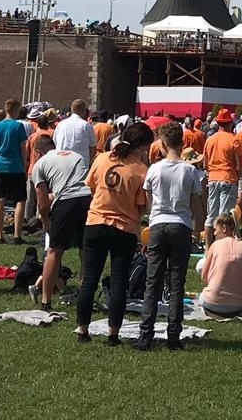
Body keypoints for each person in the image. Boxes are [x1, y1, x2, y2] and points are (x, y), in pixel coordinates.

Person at [75, 120, 151, 345]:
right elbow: (142, 206)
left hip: (96, 222)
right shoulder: (141, 170)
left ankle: (82, 329)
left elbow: (92, 186)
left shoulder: (102, 158)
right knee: (119, 282)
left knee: (89, 279)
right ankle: (113, 334)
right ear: (142, 146)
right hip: (124, 228)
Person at [136, 121, 206, 351]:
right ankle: (173, 336)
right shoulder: (189, 170)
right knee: (177, 283)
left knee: (152, 282)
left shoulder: (154, 169)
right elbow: (196, 205)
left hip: (158, 224)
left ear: (163, 145)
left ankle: (145, 335)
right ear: (182, 143)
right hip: (181, 225)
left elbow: (148, 203)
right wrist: (197, 229)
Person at [29, 132, 91, 309]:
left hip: (65, 202)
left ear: (37, 151)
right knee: (85, 251)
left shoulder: (40, 164)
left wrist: (46, 222)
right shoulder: (77, 156)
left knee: (54, 252)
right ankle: (84, 297)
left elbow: (42, 203)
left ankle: (46, 301)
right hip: (88, 199)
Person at [197, 214, 242, 315]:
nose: (214, 233)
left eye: (216, 229)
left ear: (224, 228)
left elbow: (204, 277)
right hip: (241, 303)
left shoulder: (215, 245)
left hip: (213, 303)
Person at [0, 98, 29, 245]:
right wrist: (24, 165)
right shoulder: (18, 126)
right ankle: (17, 235)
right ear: (16, 110)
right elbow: (23, 149)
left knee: (0, 199)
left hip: (0, 166)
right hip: (16, 166)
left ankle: (0, 235)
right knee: (20, 200)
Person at [202, 109, 240, 245]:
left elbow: (205, 164)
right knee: (224, 216)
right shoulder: (234, 139)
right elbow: (239, 165)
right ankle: (222, 245)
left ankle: (208, 247)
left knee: (211, 215)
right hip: (228, 177)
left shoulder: (209, 140)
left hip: (213, 178)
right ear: (230, 123)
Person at [54, 98, 97, 165]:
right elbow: (93, 148)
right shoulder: (86, 126)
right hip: (80, 165)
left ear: (72, 110)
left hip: (61, 164)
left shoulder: (60, 124)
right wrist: (87, 162)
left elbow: (55, 143)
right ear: (84, 111)